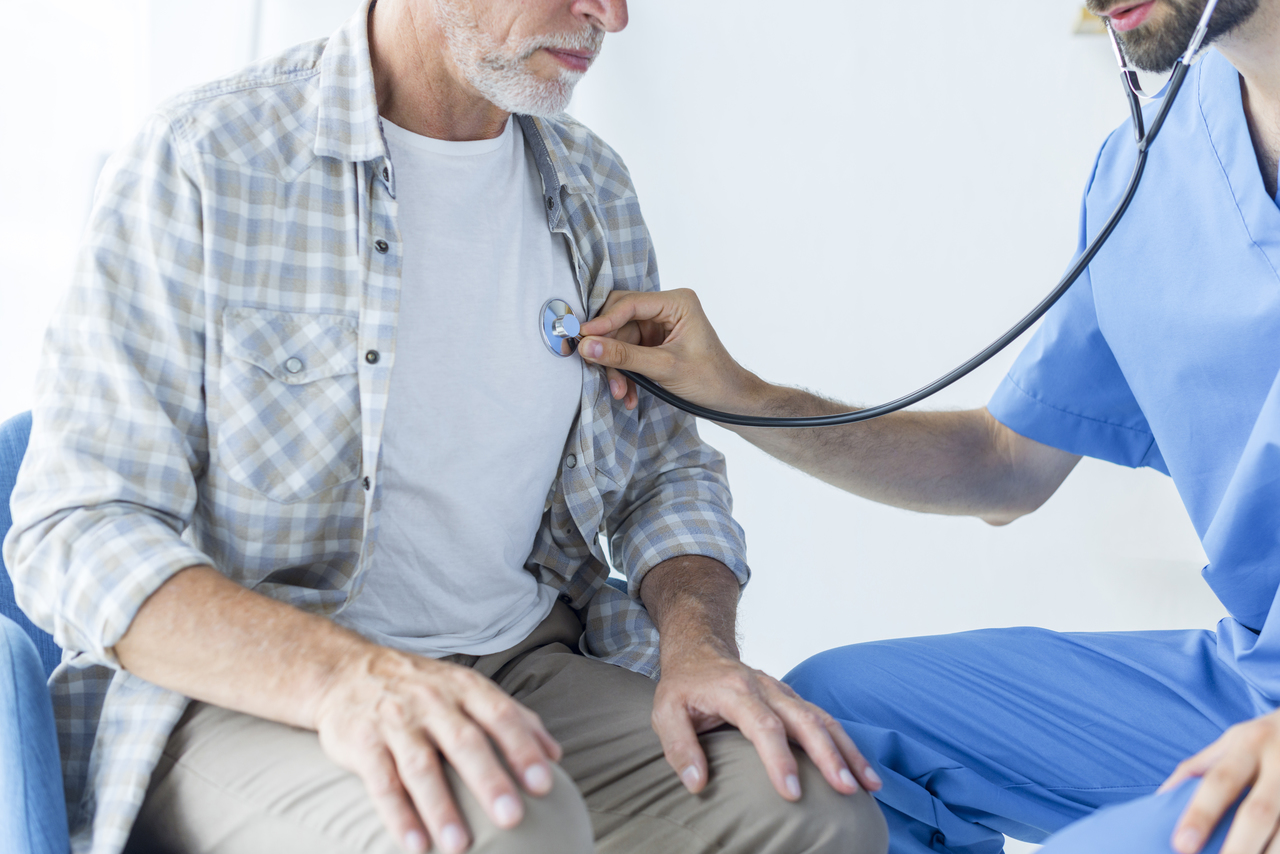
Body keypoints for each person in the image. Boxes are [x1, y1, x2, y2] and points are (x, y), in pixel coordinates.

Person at [2, 1, 891, 853]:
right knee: (503, 830)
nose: (612, 15)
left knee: (814, 812)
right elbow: (74, 528)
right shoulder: (204, 159)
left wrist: (698, 652)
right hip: (248, 695)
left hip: (520, 662)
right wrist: (354, 679)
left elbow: (662, 472)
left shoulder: (594, 190)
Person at [575, 0, 1280, 851]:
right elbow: (1005, 464)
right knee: (832, 729)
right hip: (1251, 681)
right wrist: (739, 394)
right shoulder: (1157, 161)